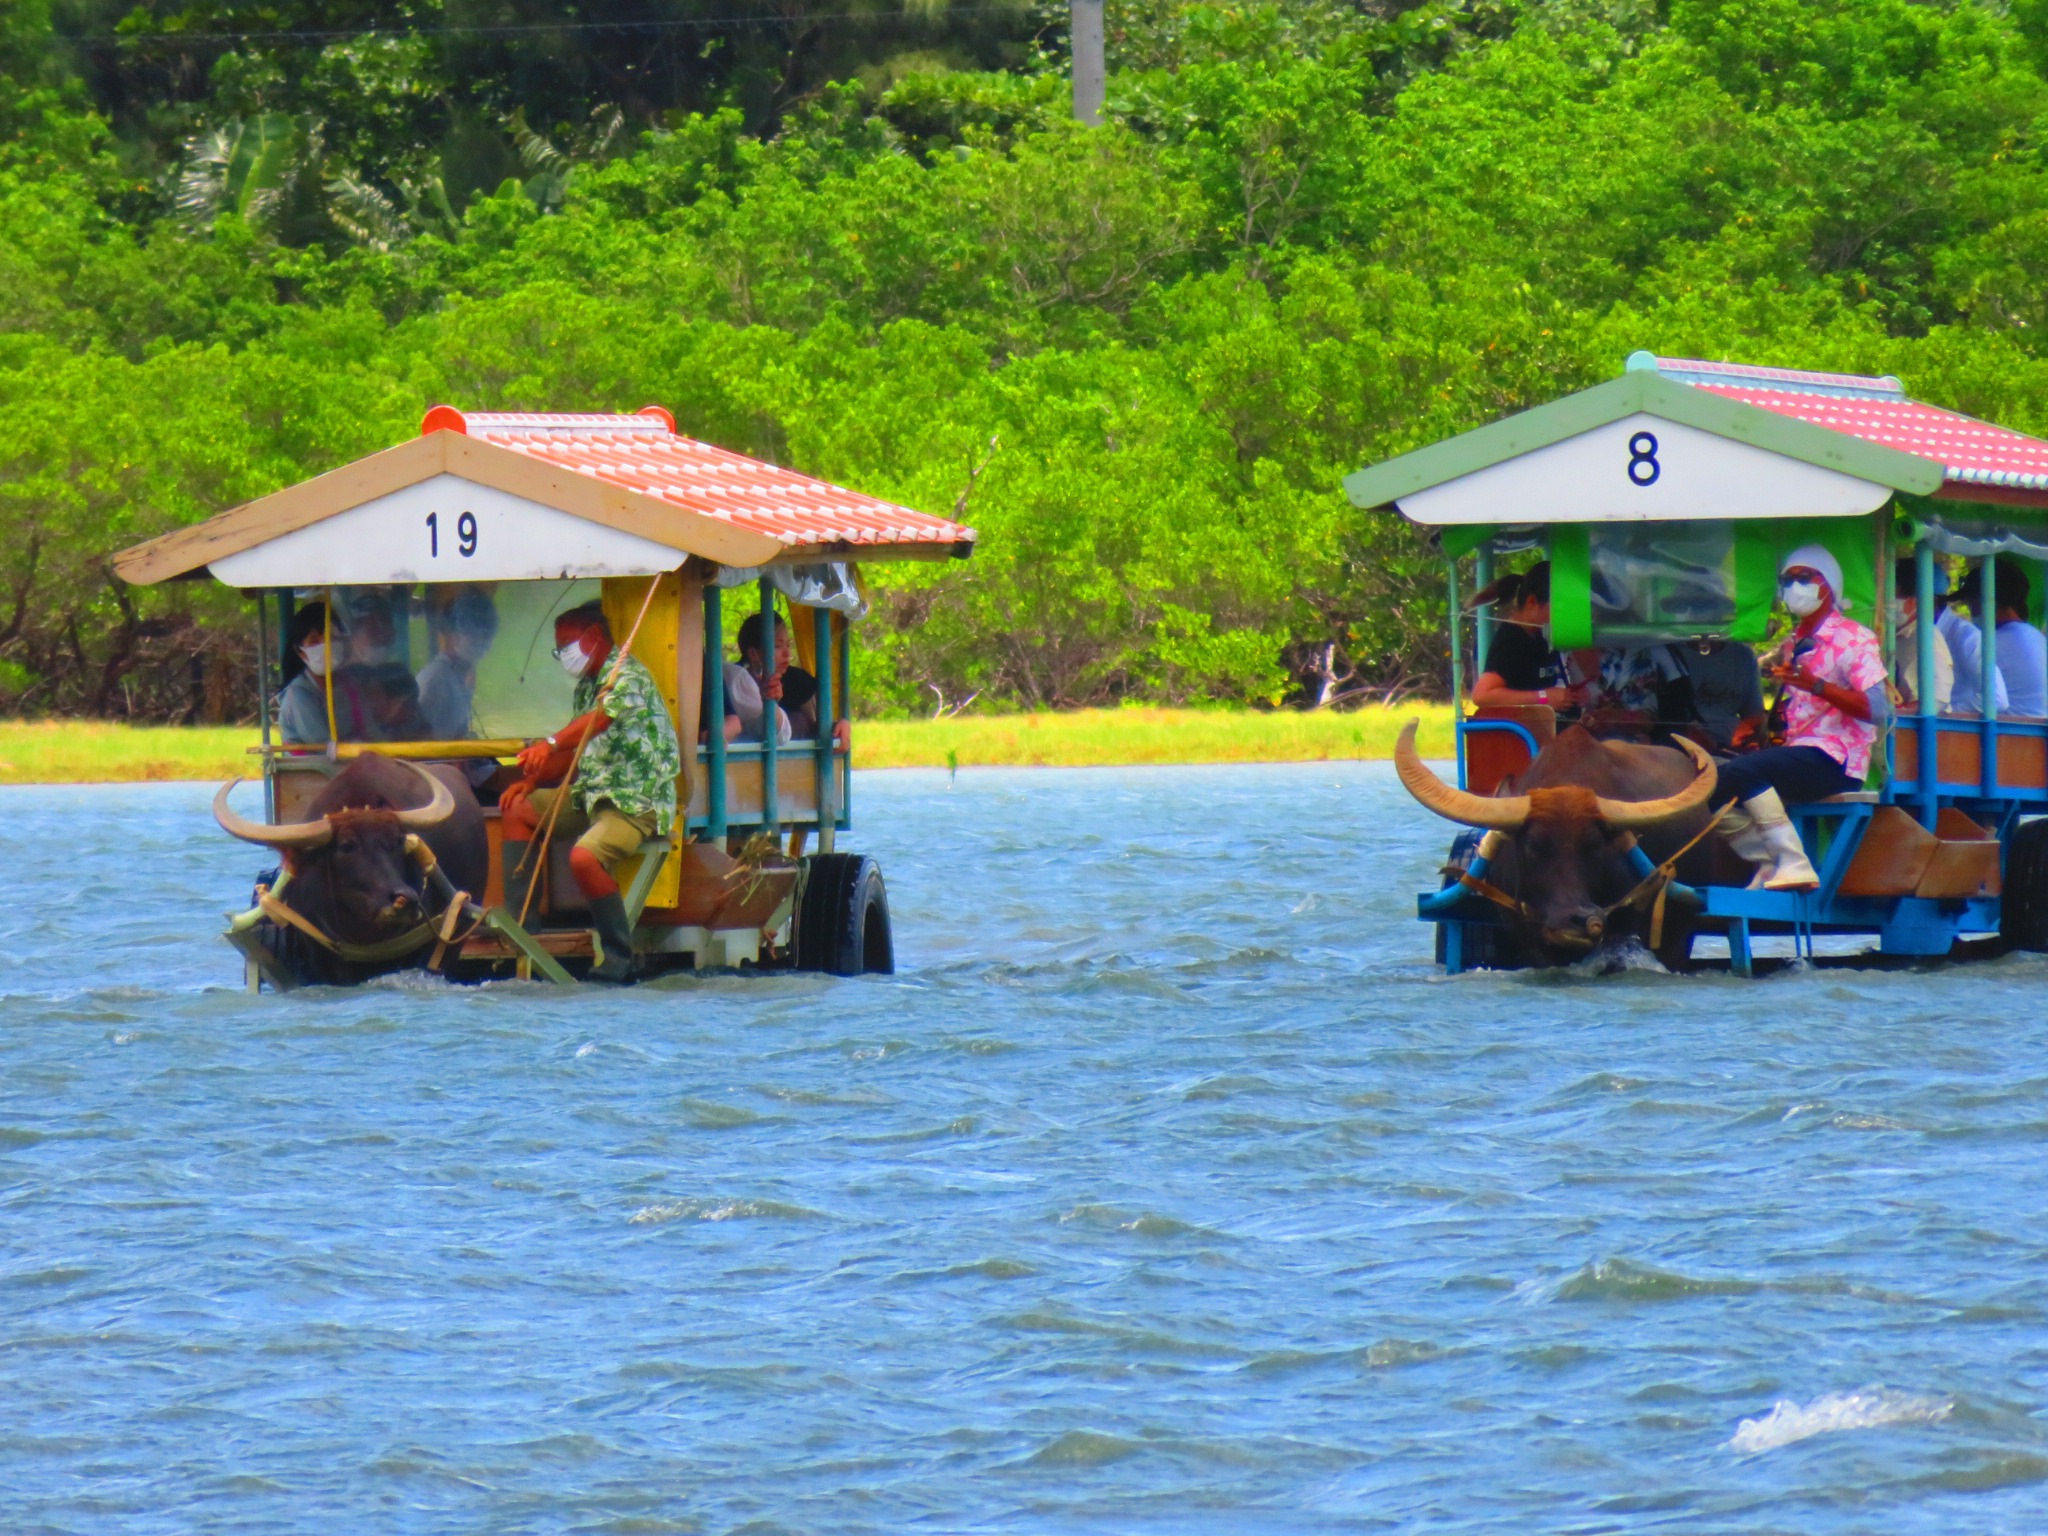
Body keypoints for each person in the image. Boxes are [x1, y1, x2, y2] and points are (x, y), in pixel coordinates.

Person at [499, 601, 682, 982]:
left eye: (567, 645)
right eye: (559, 648)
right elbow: (576, 750)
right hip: (590, 794)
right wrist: (534, 777)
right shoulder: (586, 688)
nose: (563, 655)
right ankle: (523, 928)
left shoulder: (629, 677)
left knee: (584, 859)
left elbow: (596, 723)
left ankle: (618, 954)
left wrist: (548, 742)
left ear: (595, 637)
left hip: (634, 801)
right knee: (517, 807)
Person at [1712, 545, 1891, 891]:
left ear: (1828, 586)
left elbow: (1878, 709)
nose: (1796, 587)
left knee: (1744, 774)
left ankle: (1793, 861)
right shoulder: (1796, 642)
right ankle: (1767, 860)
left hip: (1837, 759)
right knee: (1712, 787)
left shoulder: (1854, 638)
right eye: (1788, 580)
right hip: (1803, 750)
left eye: (1805, 578)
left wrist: (1818, 686)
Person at [1467, 562, 1589, 714]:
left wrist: (1570, 696)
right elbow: (1482, 695)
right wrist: (1543, 697)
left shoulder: (1538, 635)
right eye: (1557, 608)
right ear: (1532, 602)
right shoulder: (1512, 642)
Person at [726, 610, 852, 747]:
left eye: (788, 645)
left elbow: (814, 729)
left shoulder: (798, 682)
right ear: (753, 654)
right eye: (777, 646)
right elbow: (759, 733)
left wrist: (839, 726)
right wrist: (770, 703)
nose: (787, 653)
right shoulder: (737, 683)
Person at [417, 589, 502, 790]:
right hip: (442, 782)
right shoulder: (435, 679)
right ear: (449, 632)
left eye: (487, 634)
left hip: (463, 771)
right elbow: (421, 742)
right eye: (471, 633)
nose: (481, 641)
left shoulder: (459, 677)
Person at [1956, 563, 2048, 718]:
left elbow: (1956, 693)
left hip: (2010, 735)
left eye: (1972, 603)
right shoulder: (2036, 637)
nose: (1972, 610)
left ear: (1985, 600)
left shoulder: (1990, 642)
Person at [276, 601, 374, 744]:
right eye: (315, 641)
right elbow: (322, 746)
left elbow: (371, 730)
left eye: (331, 638)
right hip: (316, 766)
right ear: (300, 652)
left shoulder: (348, 687)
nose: (326, 647)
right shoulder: (298, 695)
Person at [1939, 567, 2010, 718]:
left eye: (1972, 602)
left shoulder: (1966, 637)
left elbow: (1996, 698)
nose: (1972, 610)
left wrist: (1947, 712)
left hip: (1962, 735)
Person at [1677, 639, 1765, 752]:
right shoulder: (1671, 653)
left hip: (1731, 747)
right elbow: (1664, 718)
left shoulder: (1743, 655)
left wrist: (1745, 732)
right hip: (1681, 746)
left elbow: (1755, 714)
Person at [1891, 558, 1953, 715]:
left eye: (1895, 597)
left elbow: (1939, 697)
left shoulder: (1928, 636)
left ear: (1915, 602)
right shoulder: (1891, 634)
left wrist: (1903, 712)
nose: (1890, 603)